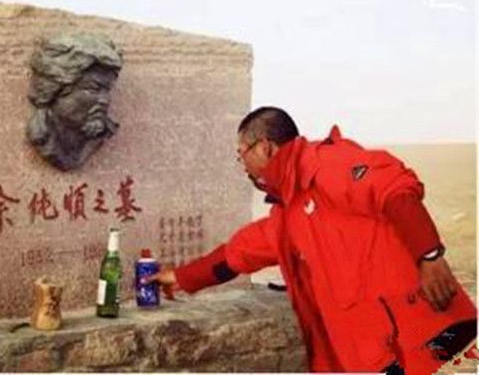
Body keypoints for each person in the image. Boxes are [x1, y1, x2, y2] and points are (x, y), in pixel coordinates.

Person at [145, 107, 476, 374]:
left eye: (241, 153)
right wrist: (180, 277)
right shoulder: (288, 214)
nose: (241, 165)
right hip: (375, 353)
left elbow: (395, 190)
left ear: (265, 147)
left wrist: (429, 256)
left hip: (425, 333)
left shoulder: (328, 164)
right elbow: (237, 254)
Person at [26, 32, 123, 171]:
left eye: (107, 90)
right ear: (56, 90)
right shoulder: (41, 134)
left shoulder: (103, 130)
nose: (105, 100)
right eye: (93, 89)